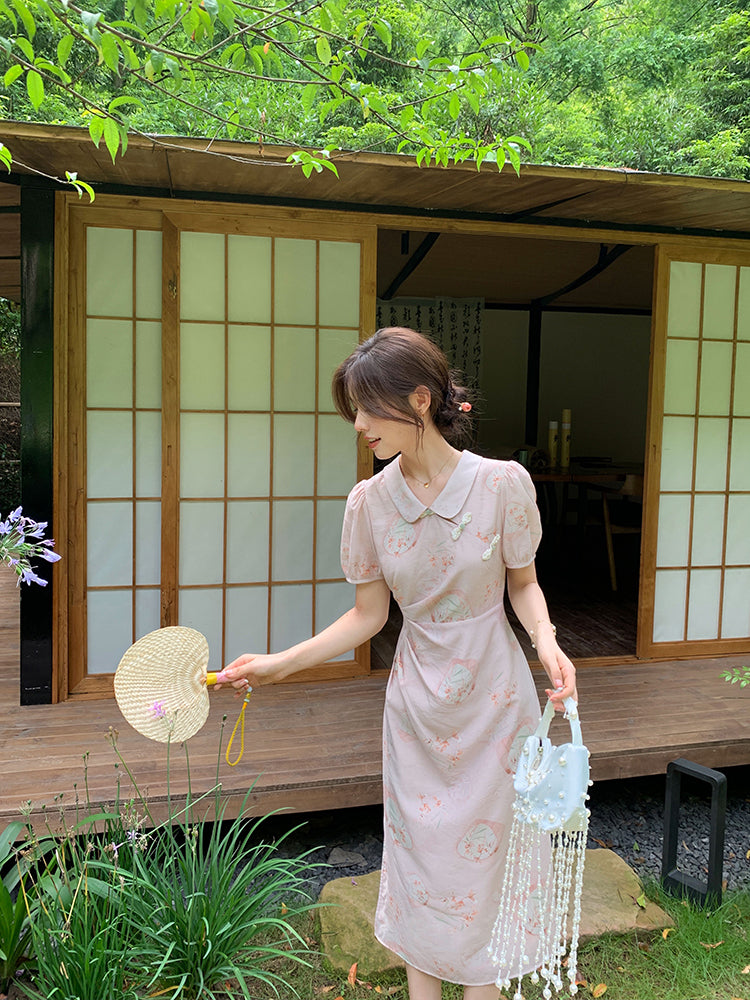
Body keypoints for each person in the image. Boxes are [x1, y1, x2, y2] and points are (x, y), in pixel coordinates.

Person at [219, 327, 577, 1000]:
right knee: (420, 856)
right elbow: (368, 617)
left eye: (366, 408)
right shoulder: (371, 504)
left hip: (497, 700)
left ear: (418, 400)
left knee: (490, 859)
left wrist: (548, 642)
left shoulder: (503, 485)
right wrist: (279, 664)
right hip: (417, 706)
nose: (357, 425)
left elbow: (523, 584)